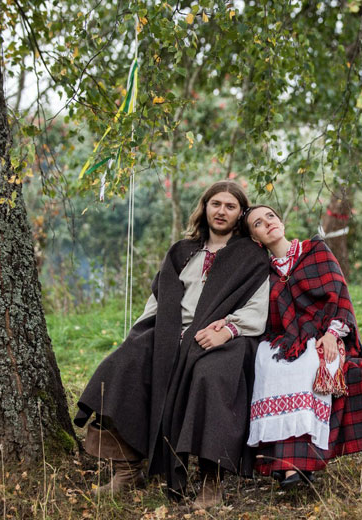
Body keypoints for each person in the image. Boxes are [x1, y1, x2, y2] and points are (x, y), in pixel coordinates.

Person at [74, 181, 270, 509]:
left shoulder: (250, 255)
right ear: (205, 208)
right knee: (122, 364)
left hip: (222, 336)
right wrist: (140, 335)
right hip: (170, 331)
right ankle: (127, 467)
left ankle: (212, 480)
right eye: (215, 204)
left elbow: (257, 307)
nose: (221, 211)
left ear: (240, 214)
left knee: (212, 376)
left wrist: (228, 331)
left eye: (230, 206)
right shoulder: (181, 251)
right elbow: (159, 299)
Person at [239, 204, 362, 488]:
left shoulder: (315, 251)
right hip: (284, 339)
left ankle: (297, 465)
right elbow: (264, 316)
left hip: (325, 334)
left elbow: (339, 295)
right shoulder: (262, 272)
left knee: (308, 364)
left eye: (270, 217)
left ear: (280, 221)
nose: (267, 223)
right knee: (268, 363)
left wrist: (331, 334)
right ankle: (279, 461)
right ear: (256, 239)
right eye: (258, 223)